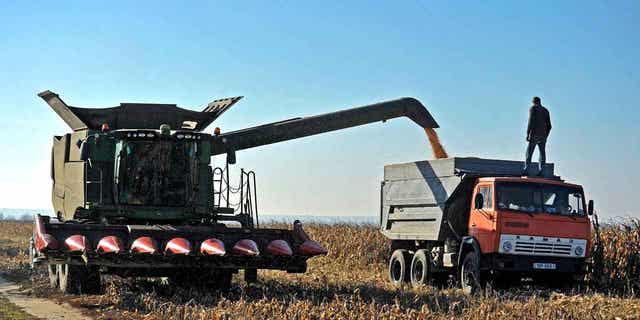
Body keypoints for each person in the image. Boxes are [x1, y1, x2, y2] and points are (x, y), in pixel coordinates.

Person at [523, 96, 552, 176]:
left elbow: (530, 121)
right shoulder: (546, 111)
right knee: (542, 154)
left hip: (534, 134)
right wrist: (546, 136)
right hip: (543, 136)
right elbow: (549, 126)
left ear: (534, 102)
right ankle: (541, 172)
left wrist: (527, 133)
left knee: (529, 153)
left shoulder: (533, 109)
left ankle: (526, 170)